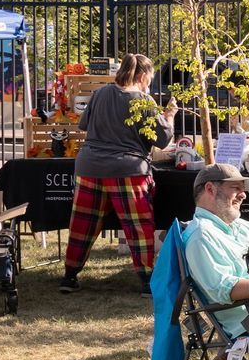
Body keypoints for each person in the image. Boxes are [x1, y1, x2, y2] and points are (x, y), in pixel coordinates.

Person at [61, 52, 174, 294]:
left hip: (90, 167)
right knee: (138, 227)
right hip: (129, 170)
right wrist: (169, 117)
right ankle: (146, 281)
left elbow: (84, 126)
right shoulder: (144, 101)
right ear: (142, 76)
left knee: (83, 224)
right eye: (150, 79)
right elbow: (163, 140)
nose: (149, 84)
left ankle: (69, 276)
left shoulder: (100, 93)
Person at [182, 162, 249, 340]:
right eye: (236, 188)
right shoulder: (201, 236)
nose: (243, 195)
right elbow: (224, 290)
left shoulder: (242, 226)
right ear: (210, 189)